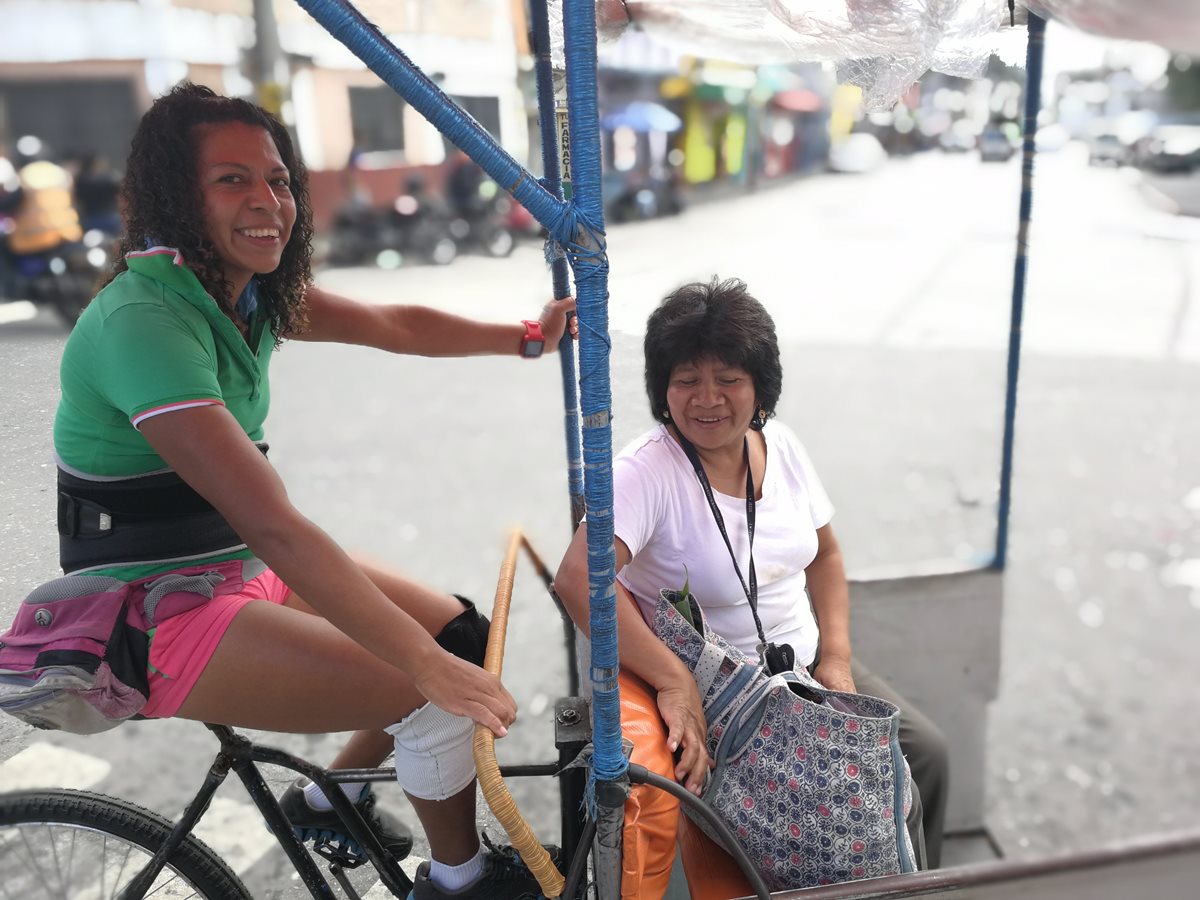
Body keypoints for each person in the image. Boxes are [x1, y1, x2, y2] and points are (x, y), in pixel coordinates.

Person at [49, 83, 575, 900]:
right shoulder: (146, 319)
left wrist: (529, 339)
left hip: (227, 567)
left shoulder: (244, 295)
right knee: (426, 686)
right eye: (232, 180)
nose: (269, 202)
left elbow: (394, 324)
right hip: (150, 608)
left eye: (280, 180)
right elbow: (275, 524)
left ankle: (327, 799)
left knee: (457, 633)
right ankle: (459, 884)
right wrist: (424, 668)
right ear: (175, 197)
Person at [554, 277, 948, 898]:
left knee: (927, 755)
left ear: (760, 386)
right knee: (867, 792)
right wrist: (672, 679)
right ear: (662, 389)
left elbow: (827, 555)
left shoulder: (783, 446)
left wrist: (836, 660)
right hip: (730, 691)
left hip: (805, 667)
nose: (707, 399)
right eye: (686, 379)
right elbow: (579, 579)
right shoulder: (645, 471)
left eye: (729, 379)